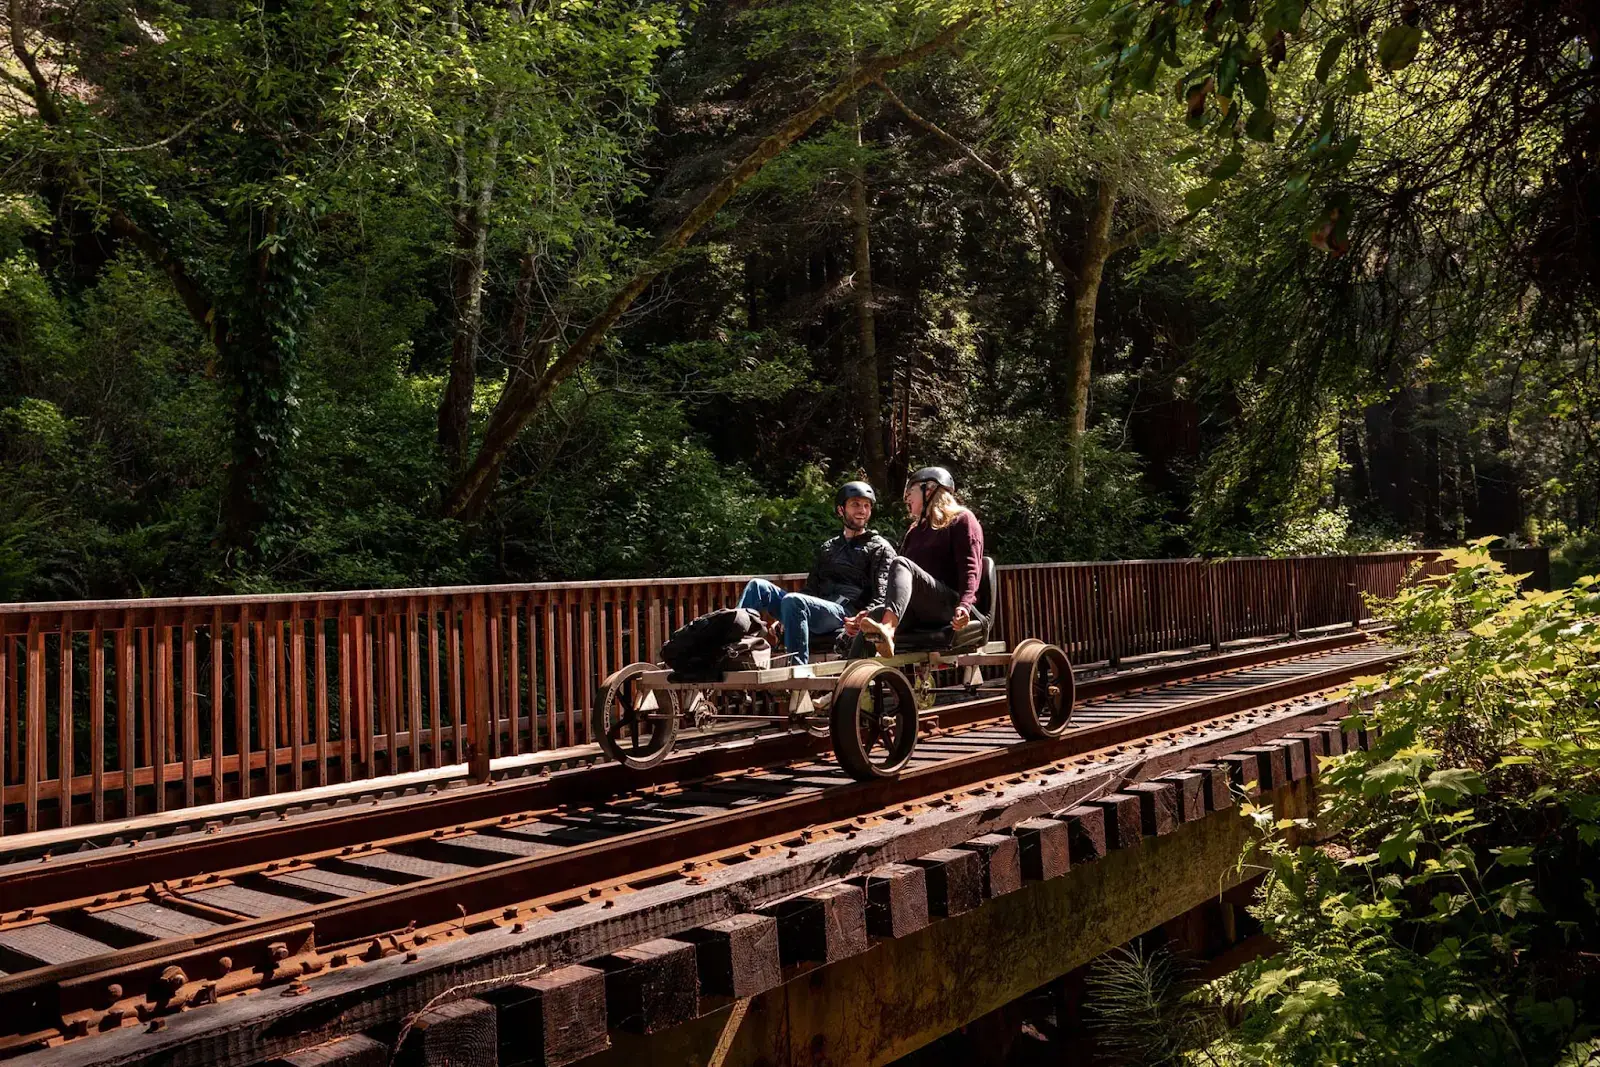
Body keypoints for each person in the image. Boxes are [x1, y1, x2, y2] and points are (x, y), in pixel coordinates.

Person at [738, 481, 896, 666]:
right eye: (855, 504)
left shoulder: (880, 547)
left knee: (793, 601)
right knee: (757, 586)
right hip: (816, 608)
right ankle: (734, 650)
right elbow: (810, 590)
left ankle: (798, 669)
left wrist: (863, 619)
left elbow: (883, 596)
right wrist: (786, 614)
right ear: (840, 510)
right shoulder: (829, 548)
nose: (862, 510)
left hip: (845, 613)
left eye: (866, 505)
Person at [847, 466, 984, 657]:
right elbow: (899, 584)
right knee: (870, 619)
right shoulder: (915, 530)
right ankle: (850, 682)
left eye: (910, 491)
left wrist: (965, 605)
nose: (906, 499)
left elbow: (971, 569)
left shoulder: (962, 519)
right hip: (918, 609)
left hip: (948, 608)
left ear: (929, 489)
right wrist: (872, 611)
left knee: (901, 563)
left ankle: (888, 628)